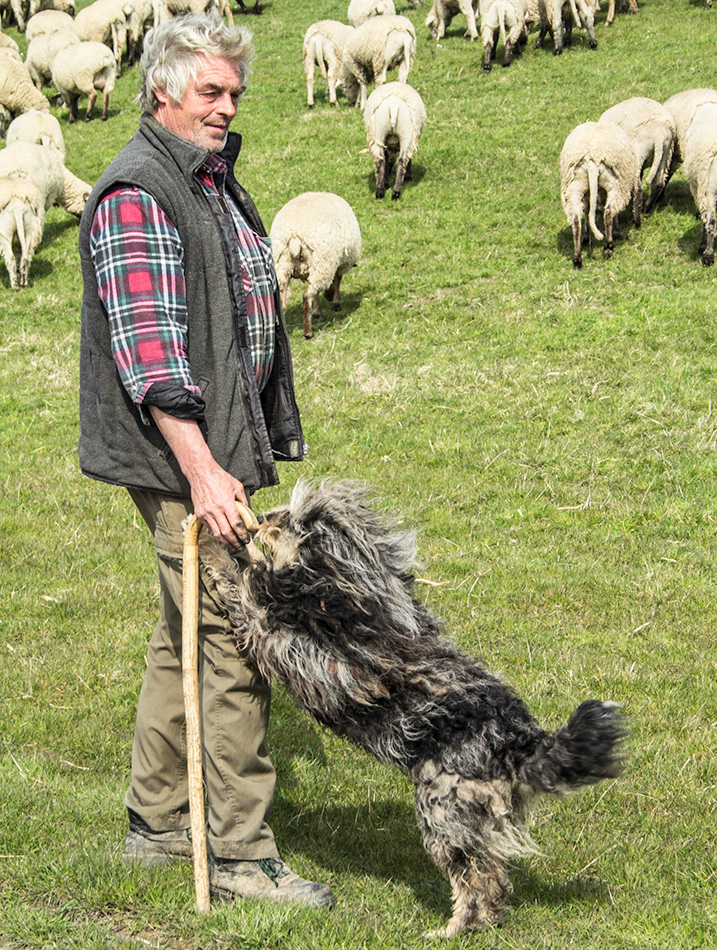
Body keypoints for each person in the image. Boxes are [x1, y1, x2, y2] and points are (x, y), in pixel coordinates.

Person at [78, 13, 335, 909]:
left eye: (234, 93)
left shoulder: (204, 176)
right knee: (232, 639)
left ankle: (155, 825)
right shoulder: (140, 191)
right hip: (185, 454)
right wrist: (202, 468)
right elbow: (150, 352)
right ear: (162, 90)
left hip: (220, 441)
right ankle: (239, 853)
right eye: (211, 92)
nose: (227, 106)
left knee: (180, 632)